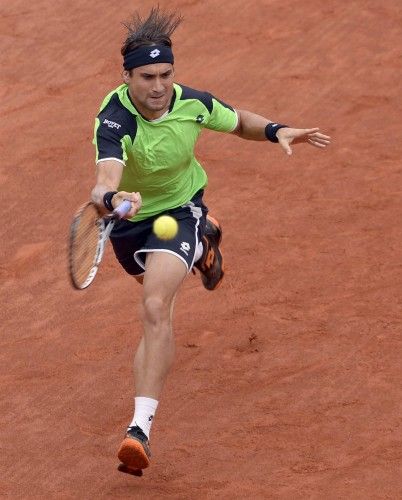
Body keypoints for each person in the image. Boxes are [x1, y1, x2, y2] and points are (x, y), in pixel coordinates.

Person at [90, 7, 330, 473]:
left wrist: (279, 130)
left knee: (157, 307)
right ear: (127, 76)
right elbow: (103, 179)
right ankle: (206, 242)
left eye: (166, 74)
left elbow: (238, 121)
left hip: (180, 209)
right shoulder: (115, 118)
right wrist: (113, 196)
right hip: (131, 219)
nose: (158, 87)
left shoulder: (190, 102)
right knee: (155, 291)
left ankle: (139, 429)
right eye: (147, 77)